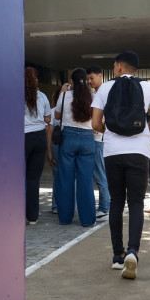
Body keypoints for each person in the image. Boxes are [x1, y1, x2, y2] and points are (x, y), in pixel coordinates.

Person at [92, 51, 150, 280]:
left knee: (116, 200)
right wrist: (144, 131)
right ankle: (133, 251)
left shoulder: (105, 88)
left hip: (112, 152)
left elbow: (95, 123)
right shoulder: (149, 88)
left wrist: (110, 133)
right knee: (135, 202)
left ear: (119, 67)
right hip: (139, 152)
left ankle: (117, 255)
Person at [55, 68, 97, 227]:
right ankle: (87, 220)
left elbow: (57, 116)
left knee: (65, 179)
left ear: (71, 82)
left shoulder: (65, 96)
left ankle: (65, 218)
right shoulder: (93, 97)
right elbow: (97, 119)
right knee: (85, 181)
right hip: (87, 139)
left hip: (68, 139)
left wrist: (63, 92)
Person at [24, 67, 51, 225]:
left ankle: (18, 211)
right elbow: (48, 118)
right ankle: (33, 216)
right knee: (34, 178)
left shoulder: (16, 95)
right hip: (40, 137)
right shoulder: (42, 96)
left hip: (23, 138)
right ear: (36, 81)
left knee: (19, 177)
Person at [86, 65, 111, 220]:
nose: (89, 81)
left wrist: (100, 122)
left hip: (99, 140)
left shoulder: (104, 92)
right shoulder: (95, 93)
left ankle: (104, 206)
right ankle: (106, 204)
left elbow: (106, 113)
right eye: (88, 79)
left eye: (92, 78)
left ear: (100, 76)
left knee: (100, 174)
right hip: (94, 139)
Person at [47, 87, 63, 214]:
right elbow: (49, 131)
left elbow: (50, 131)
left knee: (60, 176)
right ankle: (57, 204)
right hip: (57, 145)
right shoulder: (53, 112)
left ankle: (59, 205)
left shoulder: (68, 110)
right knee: (58, 176)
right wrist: (49, 151)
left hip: (60, 145)